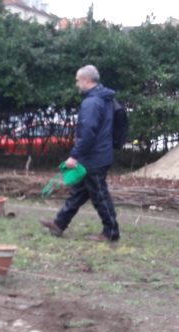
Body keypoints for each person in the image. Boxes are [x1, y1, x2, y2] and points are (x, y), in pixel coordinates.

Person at [41, 65, 120, 242]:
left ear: (86, 80)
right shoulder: (104, 98)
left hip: (94, 157)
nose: (76, 83)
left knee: (100, 196)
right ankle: (59, 224)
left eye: (78, 79)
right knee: (79, 192)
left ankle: (111, 232)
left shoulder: (91, 102)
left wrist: (74, 156)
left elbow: (87, 132)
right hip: (97, 154)